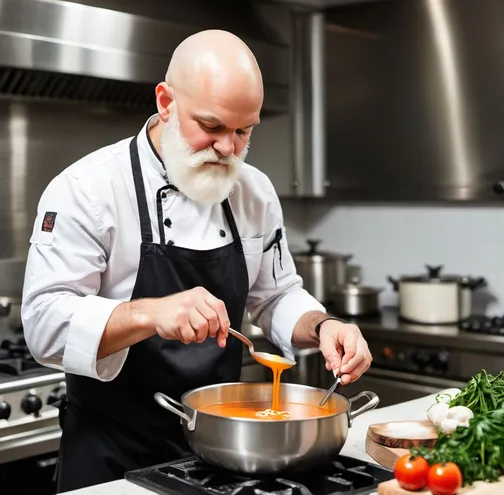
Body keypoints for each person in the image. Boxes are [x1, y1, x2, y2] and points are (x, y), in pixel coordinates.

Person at [21, 30, 373, 492]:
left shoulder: (255, 191)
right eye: (211, 126)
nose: (228, 148)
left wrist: (326, 326)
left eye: (244, 131)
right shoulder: (87, 190)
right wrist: (151, 312)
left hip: (226, 452)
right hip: (113, 458)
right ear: (165, 102)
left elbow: (277, 294)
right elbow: (44, 326)